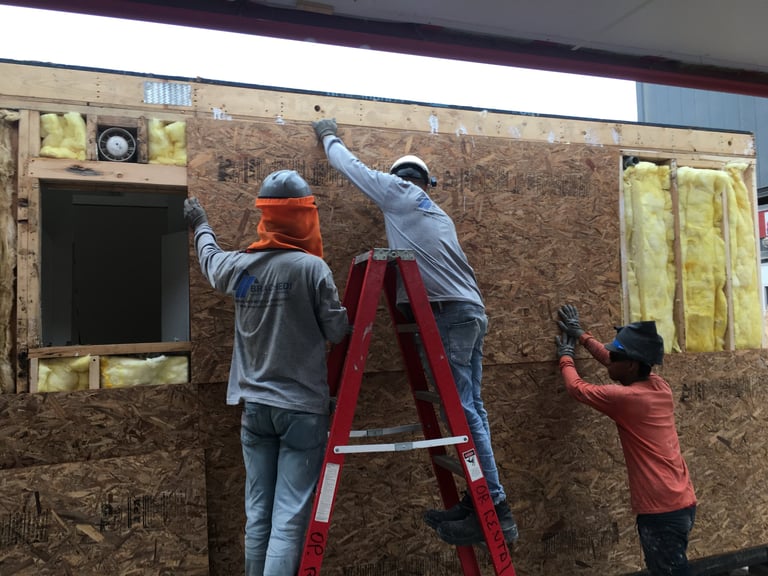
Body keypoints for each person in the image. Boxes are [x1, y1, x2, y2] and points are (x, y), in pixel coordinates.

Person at [311, 118, 518, 546]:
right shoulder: (435, 212)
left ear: (401, 179)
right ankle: (479, 500)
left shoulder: (399, 192)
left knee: (464, 410)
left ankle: (495, 509)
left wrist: (328, 136)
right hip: (469, 312)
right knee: (473, 409)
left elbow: (351, 167)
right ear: (426, 182)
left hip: (449, 315)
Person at [184, 170, 349, 576]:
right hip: (302, 410)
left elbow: (210, 259)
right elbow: (337, 331)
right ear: (304, 216)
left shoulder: (242, 267)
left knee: (258, 514)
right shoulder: (311, 269)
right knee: (288, 520)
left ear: (267, 216)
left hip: (255, 408)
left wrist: (200, 223)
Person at [555, 304, 697, 576]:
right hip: (680, 503)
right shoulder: (658, 386)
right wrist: (581, 335)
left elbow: (576, 388)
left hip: (661, 511)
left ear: (631, 364)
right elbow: (610, 360)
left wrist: (566, 356)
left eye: (615, 356)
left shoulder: (628, 399)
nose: (609, 358)